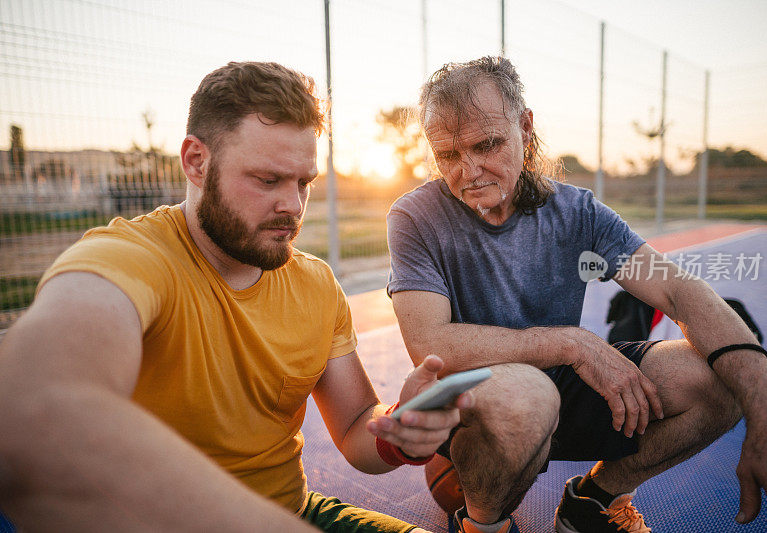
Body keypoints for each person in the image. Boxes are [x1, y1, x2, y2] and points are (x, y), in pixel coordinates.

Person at [0, 61, 472, 533]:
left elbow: (354, 430)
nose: (292, 205)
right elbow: (27, 410)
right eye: (268, 180)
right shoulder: (130, 259)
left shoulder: (316, 285)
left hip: (290, 509)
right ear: (196, 161)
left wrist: (399, 431)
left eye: (303, 183)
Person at [387, 56, 767, 533]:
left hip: (561, 386)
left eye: (487, 145)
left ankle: (594, 503)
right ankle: (483, 525)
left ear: (525, 127)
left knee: (721, 373)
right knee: (529, 395)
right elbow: (430, 343)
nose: (469, 170)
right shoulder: (415, 216)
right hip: (474, 406)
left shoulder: (576, 210)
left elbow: (677, 288)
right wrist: (573, 343)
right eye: (448, 156)